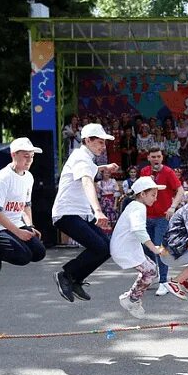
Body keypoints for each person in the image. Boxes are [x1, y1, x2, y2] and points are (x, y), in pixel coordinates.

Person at [52, 125, 119, 302]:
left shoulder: (85, 158)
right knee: (99, 246)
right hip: (67, 213)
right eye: (99, 142)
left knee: (107, 248)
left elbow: (90, 169)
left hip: (80, 213)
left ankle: (75, 279)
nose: (103, 146)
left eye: (104, 142)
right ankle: (66, 275)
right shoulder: (81, 158)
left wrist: (104, 167)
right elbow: (87, 182)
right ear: (87, 140)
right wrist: (98, 211)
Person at [0, 138, 47, 276]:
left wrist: (30, 226)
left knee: (39, 253)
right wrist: (18, 232)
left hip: (15, 223)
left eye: (32, 157)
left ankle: (3, 246)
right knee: (23, 257)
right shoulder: (2, 178)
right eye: (25, 156)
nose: (29, 160)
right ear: (13, 155)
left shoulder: (29, 177)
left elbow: (26, 205)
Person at [109, 176, 171, 318]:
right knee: (150, 272)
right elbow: (139, 230)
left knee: (151, 270)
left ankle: (131, 297)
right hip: (125, 249)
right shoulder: (138, 207)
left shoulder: (134, 206)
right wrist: (155, 249)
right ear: (142, 194)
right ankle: (132, 299)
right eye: (153, 195)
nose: (155, 199)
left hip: (126, 247)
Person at [139, 147, 185, 297]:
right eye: (153, 156)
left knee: (160, 248)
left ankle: (164, 282)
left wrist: (172, 206)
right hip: (146, 216)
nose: (156, 159)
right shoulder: (144, 172)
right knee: (147, 249)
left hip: (162, 217)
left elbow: (180, 190)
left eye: (158, 156)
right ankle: (155, 274)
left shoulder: (168, 172)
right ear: (148, 158)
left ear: (162, 158)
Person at [96, 168, 120, 233]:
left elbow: (116, 194)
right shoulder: (99, 183)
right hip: (103, 202)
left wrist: (115, 205)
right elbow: (98, 196)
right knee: (104, 217)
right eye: (105, 173)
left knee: (112, 217)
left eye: (108, 173)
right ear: (102, 174)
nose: (107, 174)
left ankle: (112, 233)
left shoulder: (113, 181)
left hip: (111, 201)